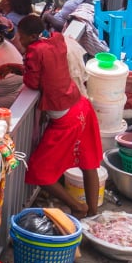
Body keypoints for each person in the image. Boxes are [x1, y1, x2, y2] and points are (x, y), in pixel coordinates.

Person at [15, 14, 103, 215]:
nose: (19, 41)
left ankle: (78, 206)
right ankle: (93, 212)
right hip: (81, 106)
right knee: (88, 164)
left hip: (66, 119)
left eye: (21, 37)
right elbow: (49, 71)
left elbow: (33, 83)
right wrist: (18, 68)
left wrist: (25, 64)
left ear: (31, 37)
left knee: (40, 173)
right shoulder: (55, 40)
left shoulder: (34, 52)